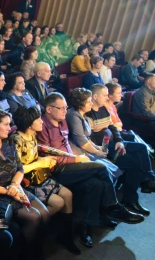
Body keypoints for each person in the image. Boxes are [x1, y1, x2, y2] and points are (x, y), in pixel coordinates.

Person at [37, 92, 144, 246]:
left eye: (66, 108)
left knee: (96, 184)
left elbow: (68, 144)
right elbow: (50, 157)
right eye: (61, 108)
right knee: (101, 168)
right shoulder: (42, 126)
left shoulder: (62, 120)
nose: (65, 111)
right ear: (48, 109)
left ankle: (86, 226)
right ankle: (113, 206)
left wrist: (79, 157)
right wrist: (76, 158)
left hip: (71, 164)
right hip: (59, 170)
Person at [0, 108, 52, 260]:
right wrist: (8, 191)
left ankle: (38, 254)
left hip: (15, 187)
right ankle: (26, 258)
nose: (10, 128)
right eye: (6, 124)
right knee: (33, 217)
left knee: (45, 214)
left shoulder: (9, 142)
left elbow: (20, 168)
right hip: (0, 194)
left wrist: (15, 185)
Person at [11, 106, 80, 255]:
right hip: (28, 181)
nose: (42, 121)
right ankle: (37, 233)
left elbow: (33, 157)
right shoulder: (16, 139)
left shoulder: (32, 135)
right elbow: (17, 168)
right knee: (59, 202)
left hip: (40, 176)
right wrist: (39, 163)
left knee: (68, 194)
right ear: (29, 123)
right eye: (38, 119)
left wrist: (44, 159)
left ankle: (65, 236)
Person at [85, 84, 154, 215]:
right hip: (103, 149)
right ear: (95, 96)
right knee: (135, 163)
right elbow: (93, 139)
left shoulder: (103, 110)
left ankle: (147, 181)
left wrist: (119, 141)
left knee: (141, 148)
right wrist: (107, 136)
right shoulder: (89, 113)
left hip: (114, 144)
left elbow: (112, 128)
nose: (106, 98)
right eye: (105, 95)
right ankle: (136, 194)